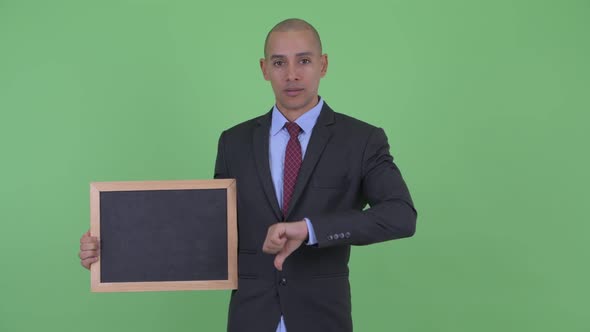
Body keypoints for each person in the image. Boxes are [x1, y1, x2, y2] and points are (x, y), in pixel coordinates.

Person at [79, 18, 417, 332]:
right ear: (264, 69)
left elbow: (401, 215)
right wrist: (112, 252)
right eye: (279, 62)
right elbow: (211, 232)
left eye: (304, 60)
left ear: (323, 65)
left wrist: (310, 228)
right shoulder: (234, 142)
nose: (292, 75)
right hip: (251, 318)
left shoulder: (361, 140)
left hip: (323, 317)